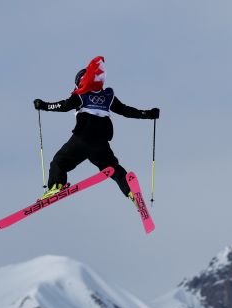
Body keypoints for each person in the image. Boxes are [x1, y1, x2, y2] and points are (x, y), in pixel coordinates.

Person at [33, 56, 159, 204]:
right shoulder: (107, 97)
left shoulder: (80, 95)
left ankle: (55, 187)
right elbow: (126, 111)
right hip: (100, 144)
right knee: (114, 168)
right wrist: (148, 114)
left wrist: (44, 105)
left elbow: (63, 106)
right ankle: (131, 192)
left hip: (82, 138)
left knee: (59, 163)